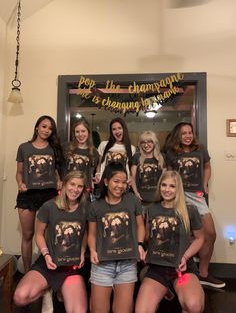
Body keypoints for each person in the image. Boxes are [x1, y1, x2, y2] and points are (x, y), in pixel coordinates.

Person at [14, 171, 88, 313]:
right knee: (20, 297)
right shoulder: (49, 206)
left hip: (70, 267)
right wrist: (46, 254)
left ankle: (60, 288)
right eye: (72, 184)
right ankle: (46, 290)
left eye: (80, 186)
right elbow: (39, 234)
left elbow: (84, 233)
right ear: (64, 184)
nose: (75, 189)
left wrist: (83, 252)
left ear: (83, 189)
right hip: (48, 263)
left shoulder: (85, 208)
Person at [165, 122, 225, 288]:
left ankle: (203, 273)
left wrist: (205, 184)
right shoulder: (171, 152)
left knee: (210, 234)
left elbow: (207, 166)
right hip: (180, 195)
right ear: (178, 135)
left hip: (197, 196)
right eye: (184, 133)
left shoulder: (200, 149)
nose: (187, 136)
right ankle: (180, 271)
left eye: (190, 132)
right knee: (182, 235)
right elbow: (170, 175)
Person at [135, 170, 205, 313]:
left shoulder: (189, 210)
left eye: (172, 186)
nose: (167, 190)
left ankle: (173, 289)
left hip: (181, 268)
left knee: (194, 306)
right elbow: (149, 236)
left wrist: (185, 257)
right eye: (164, 185)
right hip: (157, 268)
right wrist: (144, 248)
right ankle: (163, 286)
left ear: (178, 188)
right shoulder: (151, 209)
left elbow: (200, 238)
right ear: (159, 186)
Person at [88, 162, 145, 313]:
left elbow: (140, 225)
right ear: (106, 181)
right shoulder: (95, 206)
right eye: (116, 181)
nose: (120, 185)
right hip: (102, 265)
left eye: (124, 182)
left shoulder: (133, 200)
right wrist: (92, 250)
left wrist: (140, 244)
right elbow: (92, 234)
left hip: (127, 264)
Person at [15, 115, 64, 273]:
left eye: (50, 128)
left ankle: (47, 272)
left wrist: (59, 181)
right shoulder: (24, 147)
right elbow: (19, 172)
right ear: (37, 127)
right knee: (27, 235)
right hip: (27, 195)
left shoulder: (54, 149)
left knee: (48, 235)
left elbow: (56, 172)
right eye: (44, 126)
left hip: (49, 195)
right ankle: (28, 273)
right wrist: (20, 183)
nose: (47, 130)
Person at [63, 117, 99, 198]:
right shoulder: (66, 147)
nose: (80, 134)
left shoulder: (94, 152)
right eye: (77, 132)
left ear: (88, 132)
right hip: (67, 189)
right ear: (74, 133)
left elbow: (94, 169)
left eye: (83, 131)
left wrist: (97, 173)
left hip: (85, 191)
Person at [131, 130, 165, 215]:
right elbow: (132, 177)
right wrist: (136, 193)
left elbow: (165, 179)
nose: (146, 145)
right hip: (141, 200)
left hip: (157, 200)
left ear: (155, 142)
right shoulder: (137, 157)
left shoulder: (162, 157)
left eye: (149, 141)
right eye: (143, 142)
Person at [95, 117, 136, 183]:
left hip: (123, 184)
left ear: (124, 129)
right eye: (114, 129)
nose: (117, 131)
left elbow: (130, 167)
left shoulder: (131, 148)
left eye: (119, 128)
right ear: (111, 132)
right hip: (105, 183)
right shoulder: (103, 145)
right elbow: (99, 163)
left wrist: (130, 178)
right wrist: (97, 174)